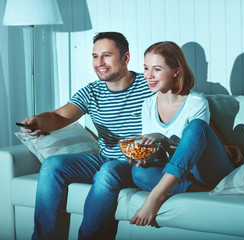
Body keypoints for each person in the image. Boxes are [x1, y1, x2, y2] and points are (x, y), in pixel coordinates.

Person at [20, 32, 153, 239]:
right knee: (52, 165)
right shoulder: (91, 92)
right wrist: (38, 121)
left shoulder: (149, 87)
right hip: (104, 158)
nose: (99, 62)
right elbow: (58, 116)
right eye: (95, 56)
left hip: (135, 164)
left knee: (108, 171)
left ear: (125, 58)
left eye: (106, 55)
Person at [128, 41, 236, 226]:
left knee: (197, 127)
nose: (149, 75)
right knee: (138, 173)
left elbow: (194, 145)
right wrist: (146, 156)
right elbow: (160, 153)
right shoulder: (147, 105)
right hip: (182, 175)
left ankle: (156, 196)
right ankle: (206, 191)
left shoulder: (196, 102)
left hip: (206, 168)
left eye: (156, 69)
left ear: (176, 71)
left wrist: (162, 138)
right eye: (146, 68)